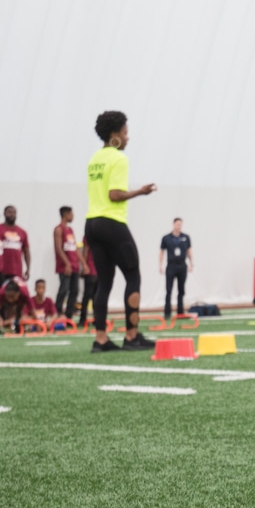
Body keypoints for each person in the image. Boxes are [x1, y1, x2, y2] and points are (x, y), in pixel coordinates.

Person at [86, 110, 156, 352]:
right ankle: (131, 335)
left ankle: (101, 339)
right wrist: (141, 191)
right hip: (111, 222)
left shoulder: (95, 158)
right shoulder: (118, 159)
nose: (128, 138)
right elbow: (114, 195)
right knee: (133, 276)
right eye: (125, 133)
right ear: (114, 135)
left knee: (104, 282)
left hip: (92, 224)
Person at [158, 218, 193, 317]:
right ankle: (167, 312)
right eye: (177, 224)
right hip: (171, 265)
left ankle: (180, 312)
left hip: (182, 265)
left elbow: (189, 251)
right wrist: (160, 265)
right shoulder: (166, 238)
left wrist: (191, 263)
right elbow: (161, 252)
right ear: (173, 224)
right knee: (168, 290)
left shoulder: (186, 237)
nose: (179, 226)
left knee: (181, 290)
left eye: (180, 224)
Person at [53, 206, 81, 320]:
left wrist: (83, 263)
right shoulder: (59, 229)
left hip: (74, 265)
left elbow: (74, 248)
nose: (72, 216)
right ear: (65, 214)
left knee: (75, 290)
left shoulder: (70, 230)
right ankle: (58, 312)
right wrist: (67, 263)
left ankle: (68, 315)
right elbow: (58, 248)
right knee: (64, 289)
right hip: (64, 267)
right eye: (71, 214)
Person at [0, 205, 31, 284]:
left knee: (15, 293)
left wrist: (28, 269)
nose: (12, 215)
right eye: (9, 212)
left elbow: (26, 251)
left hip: (16, 270)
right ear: (4, 214)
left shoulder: (22, 232)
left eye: (14, 213)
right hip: (0, 269)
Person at [76, 241, 97, 328]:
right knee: (97, 296)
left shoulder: (89, 234)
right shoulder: (104, 234)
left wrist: (84, 266)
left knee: (87, 297)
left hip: (91, 269)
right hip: (98, 269)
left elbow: (85, 251)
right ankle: (97, 319)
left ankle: (82, 319)